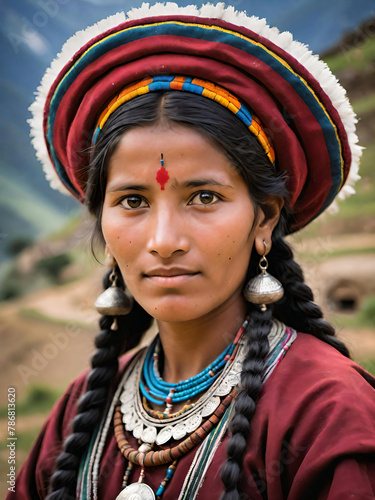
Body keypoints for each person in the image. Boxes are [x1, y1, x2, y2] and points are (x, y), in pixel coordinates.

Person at [9, 3, 375, 500]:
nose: (163, 240)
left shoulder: (330, 413)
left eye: (204, 197)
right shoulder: (80, 411)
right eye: (132, 201)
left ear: (263, 218)